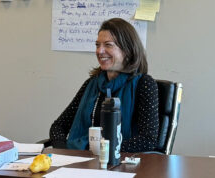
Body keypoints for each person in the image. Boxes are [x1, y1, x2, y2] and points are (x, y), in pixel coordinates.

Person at [49, 18, 161, 152]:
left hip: (123, 164)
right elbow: (58, 127)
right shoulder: (92, 84)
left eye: (108, 45)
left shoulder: (144, 84)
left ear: (128, 50)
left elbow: (148, 139)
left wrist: (104, 150)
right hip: (83, 159)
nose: (99, 51)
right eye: (97, 45)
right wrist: (65, 151)